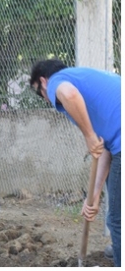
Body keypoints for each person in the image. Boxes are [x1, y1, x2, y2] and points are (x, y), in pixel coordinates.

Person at [30, 59, 120, 267]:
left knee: (117, 220)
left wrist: (88, 135)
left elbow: (68, 94)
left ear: (43, 81)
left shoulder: (57, 82)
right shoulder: (89, 81)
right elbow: (105, 147)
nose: (45, 99)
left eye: (39, 93)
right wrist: (94, 196)